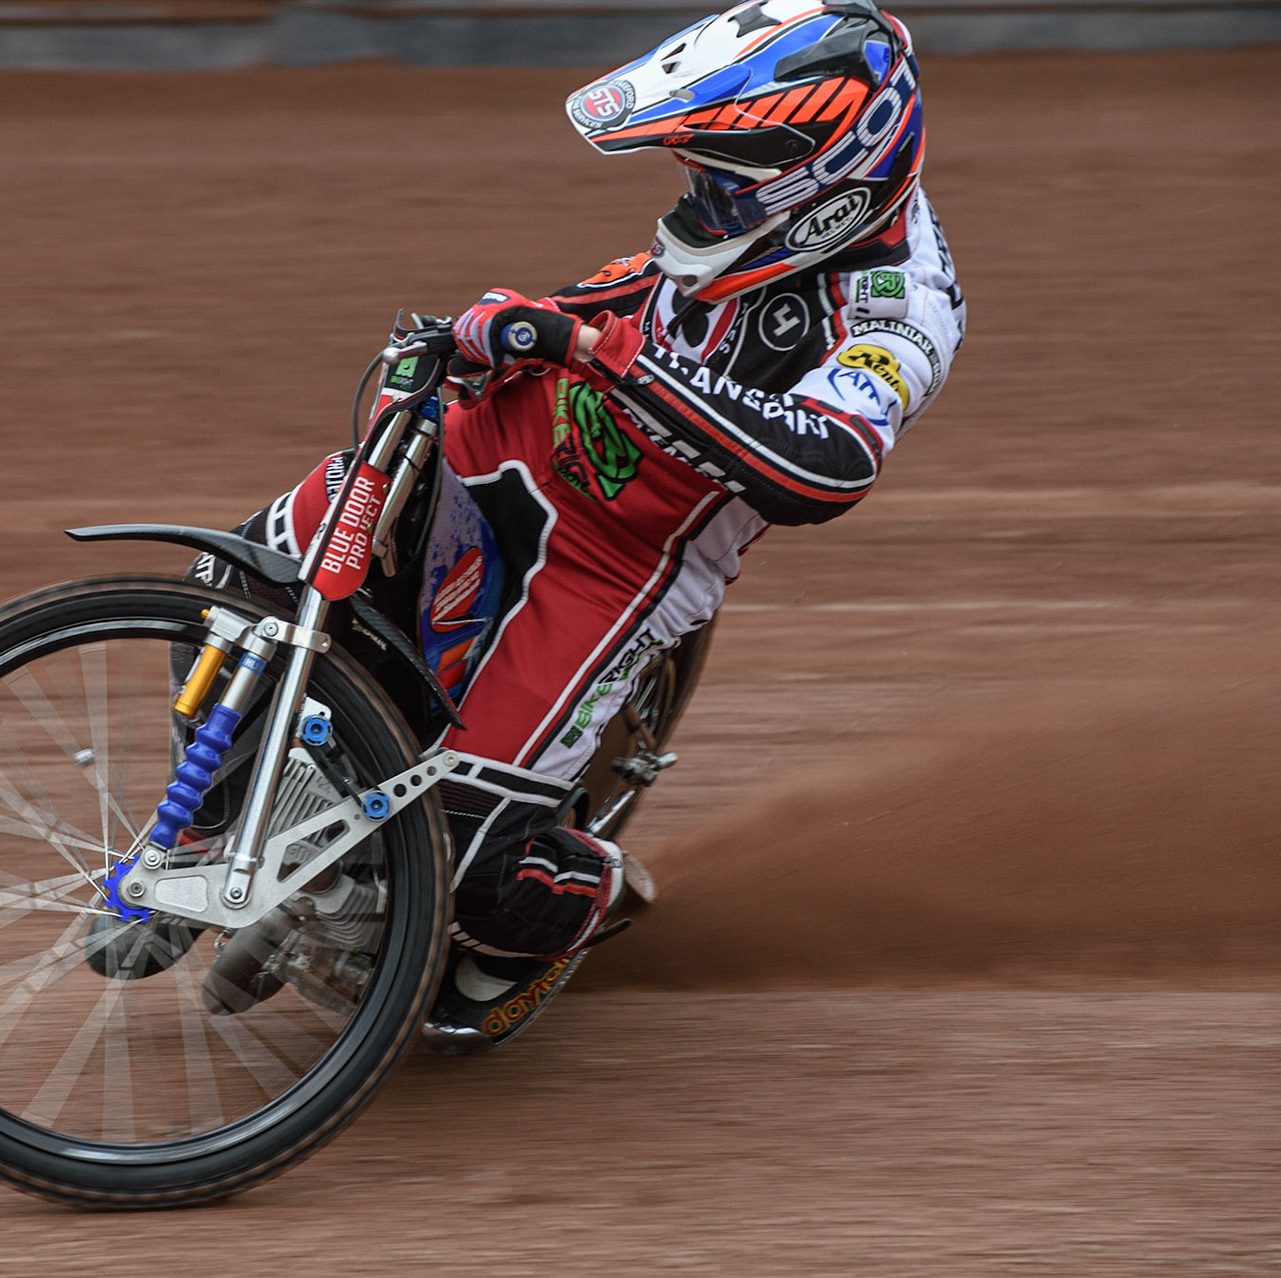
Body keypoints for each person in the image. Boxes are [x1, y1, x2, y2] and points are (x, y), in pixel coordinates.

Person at [202, 0, 966, 1049]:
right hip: (505, 435)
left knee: (463, 875)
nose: (698, 197)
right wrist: (512, 330)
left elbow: (826, 469)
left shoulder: (900, 308)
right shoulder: (749, 225)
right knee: (242, 582)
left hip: (619, 557)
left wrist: (593, 351)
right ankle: (198, 833)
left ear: (819, 189)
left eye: (720, 179)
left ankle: (580, 889)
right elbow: (635, 294)